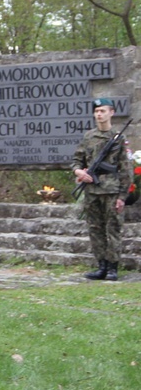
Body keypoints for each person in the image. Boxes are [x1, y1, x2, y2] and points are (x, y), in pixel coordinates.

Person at [71, 98, 132, 281]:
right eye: (96, 111)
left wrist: (123, 196)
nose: (99, 114)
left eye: (103, 111)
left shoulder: (118, 138)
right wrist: (80, 172)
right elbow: (76, 160)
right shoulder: (88, 137)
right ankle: (101, 266)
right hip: (92, 191)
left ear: (111, 113)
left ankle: (113, 268)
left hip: (112, 191)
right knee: (95, 229)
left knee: (113, 228)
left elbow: (126, 169)